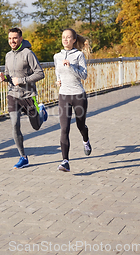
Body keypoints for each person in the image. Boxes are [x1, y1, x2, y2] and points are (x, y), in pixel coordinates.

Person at [0, 27, 48, 169]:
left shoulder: (28, 54)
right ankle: (23, 157)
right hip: (13, 95)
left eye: (14, 38)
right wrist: (4, 77)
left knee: (36, 126)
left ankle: (42, 113)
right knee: (15, 124)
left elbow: (40, 73)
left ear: (20, 39)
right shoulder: (8, 55)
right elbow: (9, 75)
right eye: (9, 38)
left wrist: (22, 80)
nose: (12, 41)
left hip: (28, 95)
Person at [54, 28, 91, 172]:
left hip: (78, 95)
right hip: (64, 95)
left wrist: (71, 66)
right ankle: (65, 161)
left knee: (81, 125)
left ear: (74, 40)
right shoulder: (57, 56)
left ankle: (86, 140)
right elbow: (58, 72)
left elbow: (84, 75)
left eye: (68, 37)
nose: (65, 39)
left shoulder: (79, 55)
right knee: (64, 128)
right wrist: (58, 81)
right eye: (63, 37)